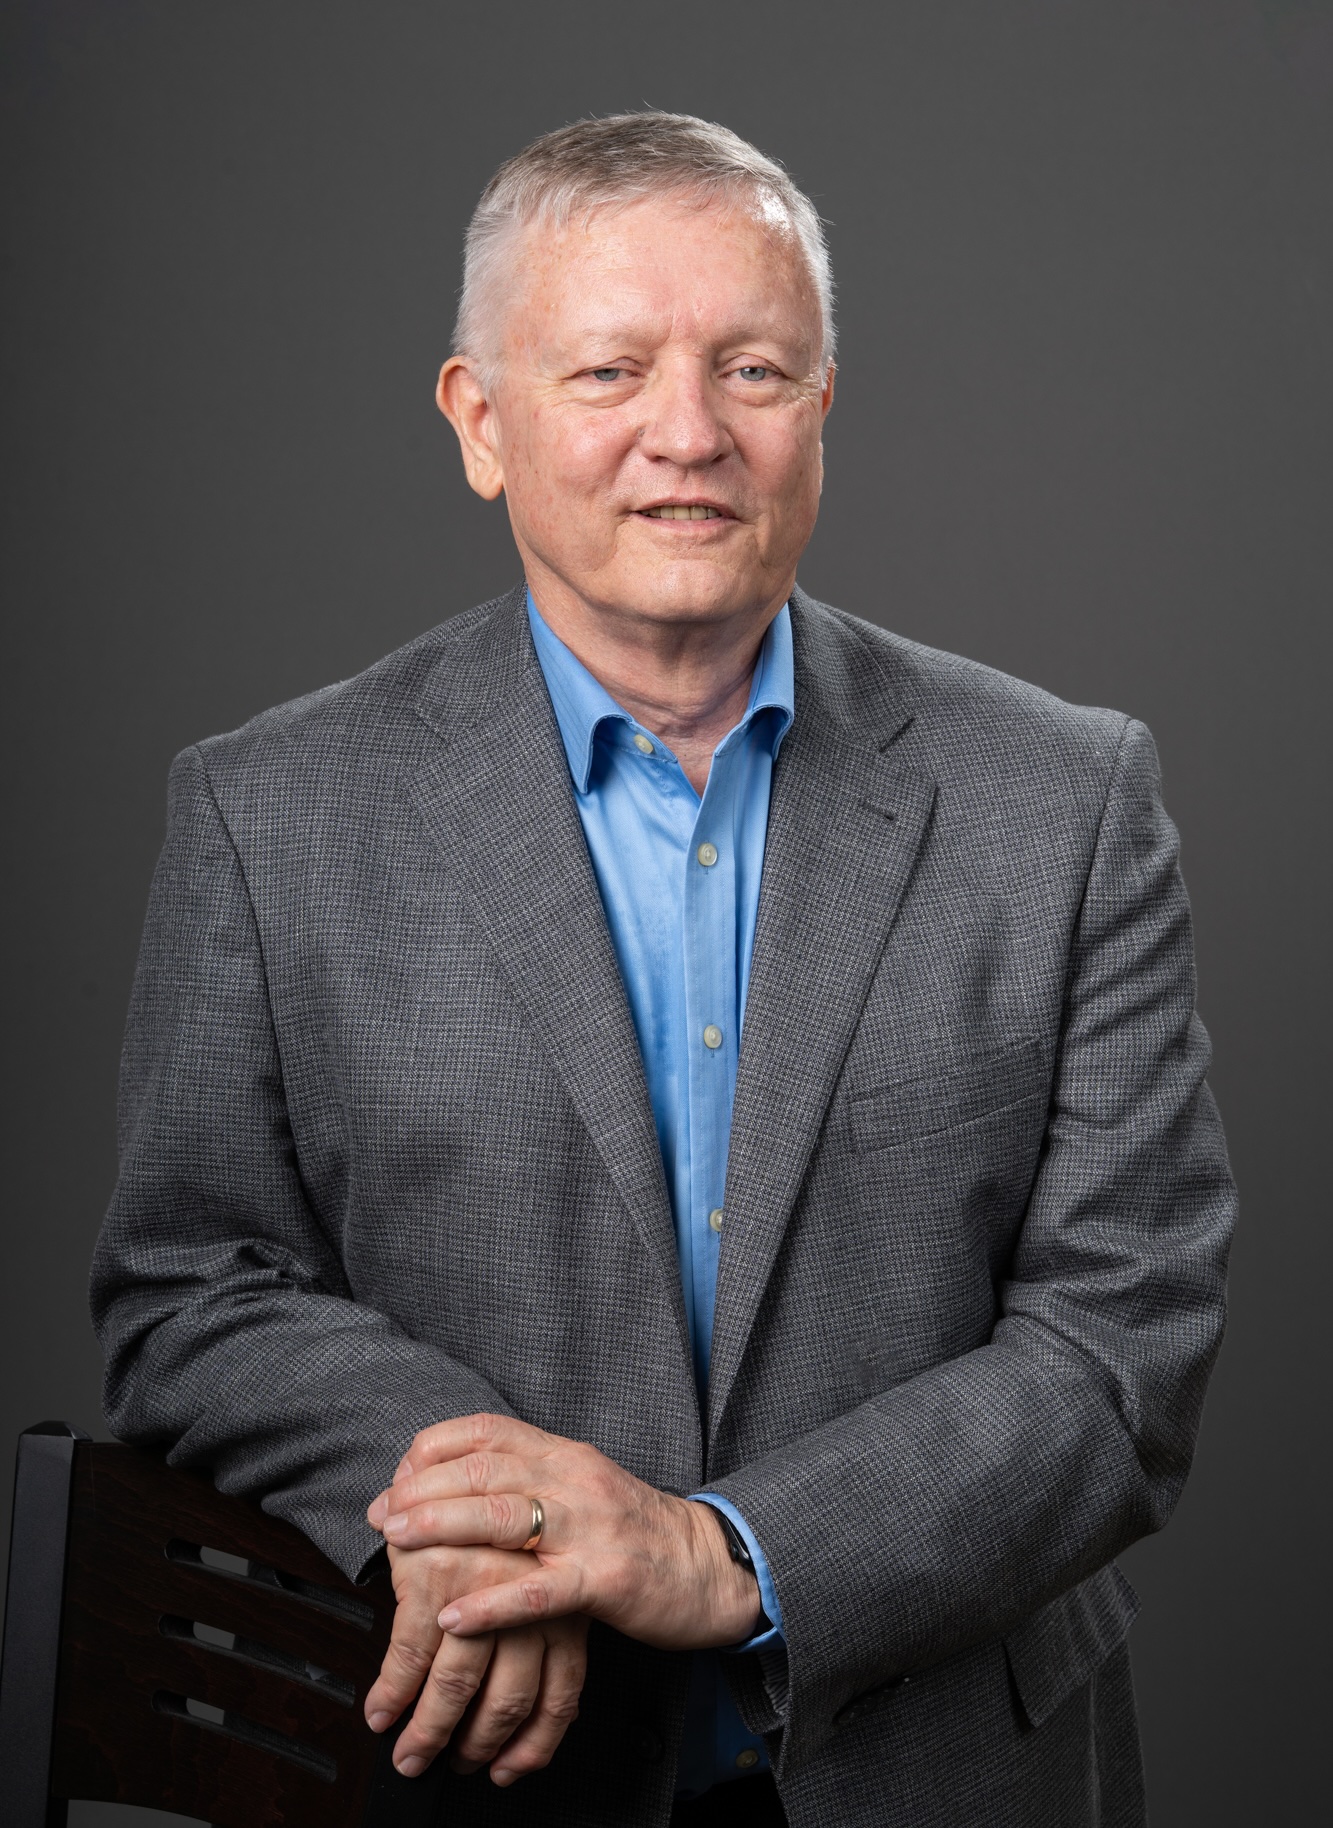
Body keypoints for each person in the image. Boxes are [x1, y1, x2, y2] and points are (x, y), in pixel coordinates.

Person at [90, 112, 1236, 1827]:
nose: (686, 437)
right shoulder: (269, 815)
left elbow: (1118, 1340)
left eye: (754, 370)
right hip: (468, 1765)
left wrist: (719, 1557)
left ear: (823, 409)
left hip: (952, 1774)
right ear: (480, 424)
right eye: (609, 370)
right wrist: (496, 1516)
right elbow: (193, 1290)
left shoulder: (1062, 800)